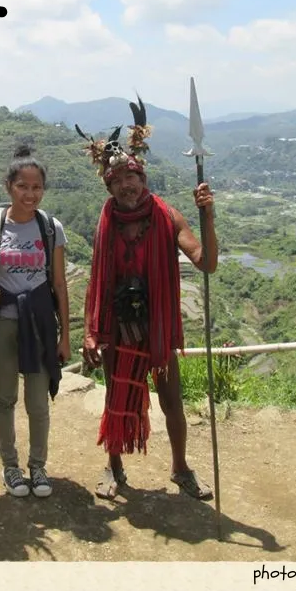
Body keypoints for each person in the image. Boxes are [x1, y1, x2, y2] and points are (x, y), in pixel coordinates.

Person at [76, 96, 218, 501]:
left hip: (156, 325)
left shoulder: (167, 216)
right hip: (118, 326)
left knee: (172, 400)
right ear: (109, 185)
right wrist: (91, 331)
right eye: (117, 179)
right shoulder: (107, 220)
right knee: (115, 396)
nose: (126, 185)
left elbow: (205, 262)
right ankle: (114, 465)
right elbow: (96, 279)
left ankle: (181, 467)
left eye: (131, 176)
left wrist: (207, 215)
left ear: (143, 176)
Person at [0, 145, 72, 499]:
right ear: (9, 186)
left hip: (39, 323)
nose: (31, 194)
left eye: (37, 187)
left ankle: (37, 466)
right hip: (2, 322)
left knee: (38, 401)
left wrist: (65, 335)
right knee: (5, 396)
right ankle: (10, 467)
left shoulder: (50, 228)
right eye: (23, 186)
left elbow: (58, 283)